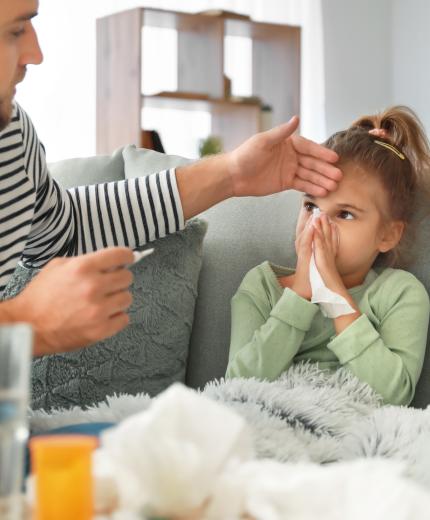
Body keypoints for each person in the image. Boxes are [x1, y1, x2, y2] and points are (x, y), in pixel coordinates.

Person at [0, 0, 343, 357]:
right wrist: (25, 324)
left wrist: (231, 174)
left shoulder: (11, 135)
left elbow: (63, 234)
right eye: (14, 30)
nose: (35, 53)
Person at [226, 105, 430, 406]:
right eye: (311, 206)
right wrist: (301, 294)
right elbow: (235, 387)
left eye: (345, 214)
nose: (317, 224)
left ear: (388, 235)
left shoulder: (400, 293)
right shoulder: (262, 287)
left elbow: (394, 396)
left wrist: (334, 295)